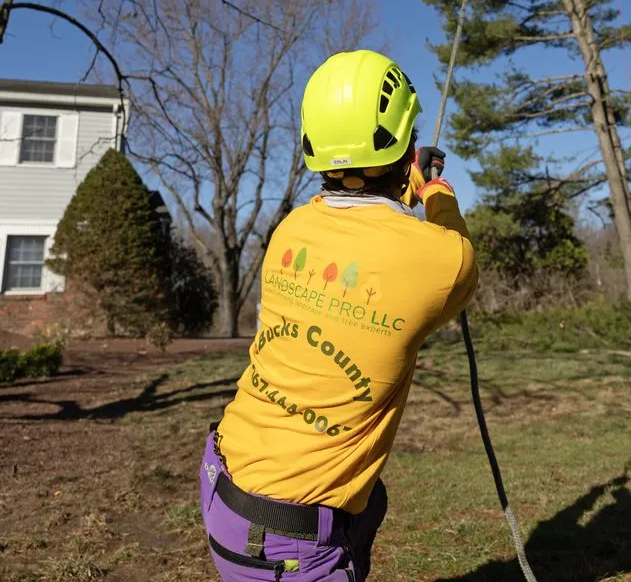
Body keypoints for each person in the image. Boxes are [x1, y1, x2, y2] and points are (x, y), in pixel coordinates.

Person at [199, 50, 478, 581]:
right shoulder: (444, 260)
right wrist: (433, 188)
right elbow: (451, 245)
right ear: (407, 148)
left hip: (225, 475)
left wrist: (402, 186)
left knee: (371, 503)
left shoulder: (290, 229)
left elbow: (365, 229)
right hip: (287, 537)